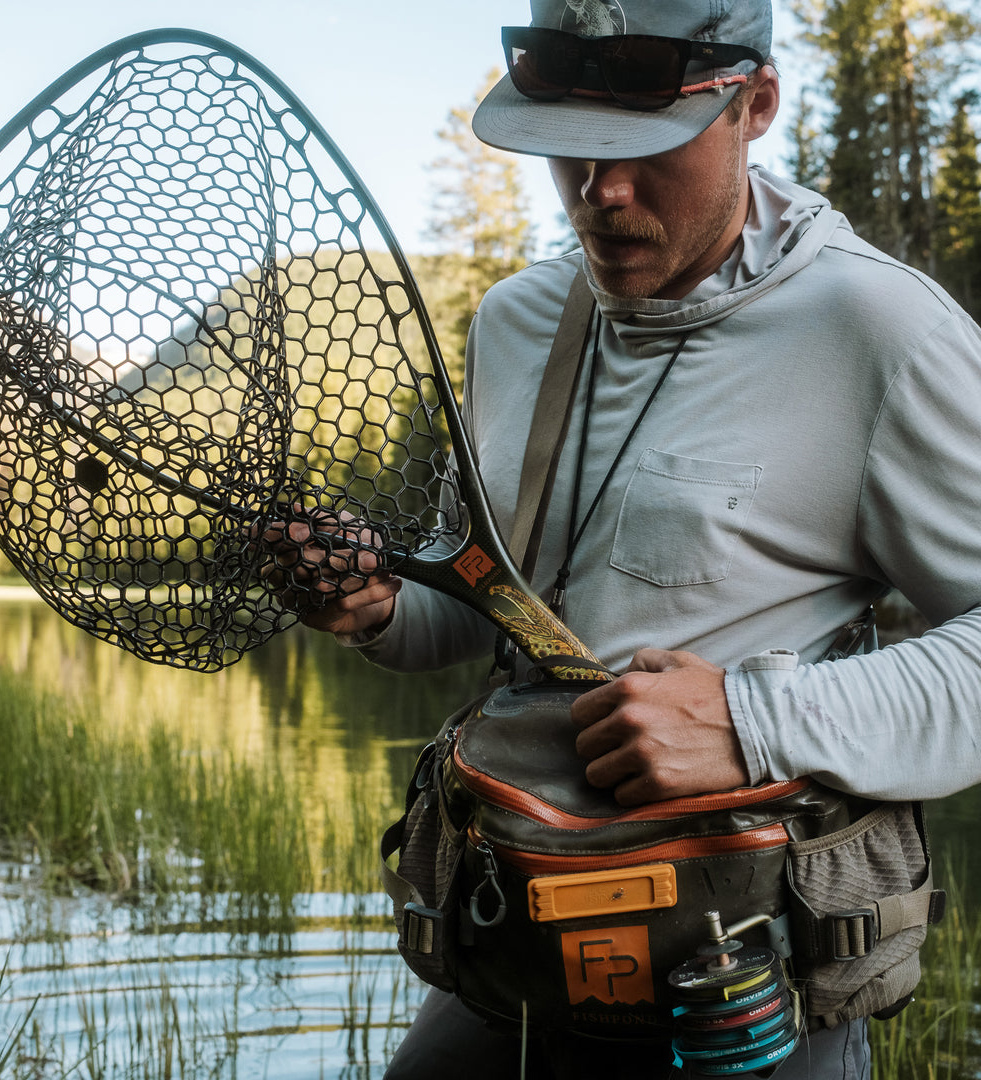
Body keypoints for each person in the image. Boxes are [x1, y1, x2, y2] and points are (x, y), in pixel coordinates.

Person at [285, 0, 981, 1075]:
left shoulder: (880, 332)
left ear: (755, 105)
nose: (600, 191)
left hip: (744, 978)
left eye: (646, 145)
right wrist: (381, 607)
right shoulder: (518, 322)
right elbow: (490, 609)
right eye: (569, 144)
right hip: (520, 938)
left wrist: (754, 722)